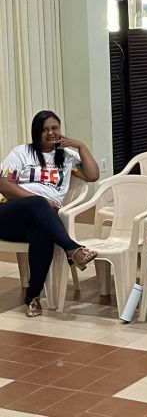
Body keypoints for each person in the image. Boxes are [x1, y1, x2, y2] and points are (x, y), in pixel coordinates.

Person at [0, 111, 99, 317]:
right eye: (44, 129)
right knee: (38, 202)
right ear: (36, 132)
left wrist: (81, 146)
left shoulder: (67, 158)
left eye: (54, 128)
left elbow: (92, 175)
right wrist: (38, 200)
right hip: (11, 216)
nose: (51, 133)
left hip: (41, 220)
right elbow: (5, 185)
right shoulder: (21, 153)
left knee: (42, 234)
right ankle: (73, 249)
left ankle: (33, 297)